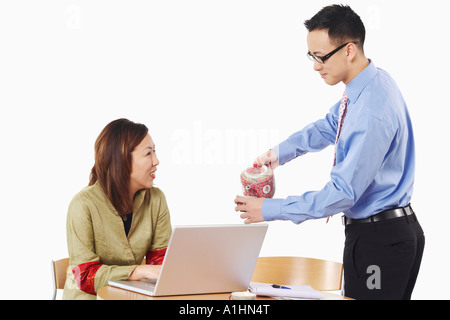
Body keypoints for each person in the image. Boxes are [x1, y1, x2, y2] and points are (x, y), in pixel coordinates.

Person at [234, 4, 424, 300]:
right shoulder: (369, 84)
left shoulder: (371, 112)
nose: (315, 66)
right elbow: (329, 125)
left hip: (380, 241)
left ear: (349, 50)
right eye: (311, 56)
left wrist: (269, 209)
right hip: (382, 233)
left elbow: (343, 192)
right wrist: (279, 154)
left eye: (321, 57)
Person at [63, 118, 172, 300]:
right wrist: (138, 270)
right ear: (122, 159)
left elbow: (160, 263)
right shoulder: (83, 204)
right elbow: (85, 277)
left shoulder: (156, 199)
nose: (156, 161)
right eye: (148, 154)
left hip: (130, 295)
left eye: (155, 152)